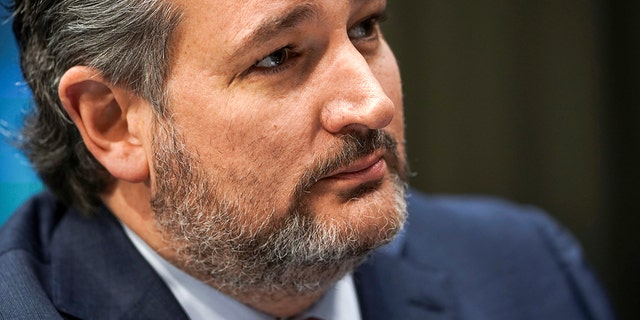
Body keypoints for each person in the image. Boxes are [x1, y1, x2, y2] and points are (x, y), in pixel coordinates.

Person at [0, 0, 613, 319]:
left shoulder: (528, 269)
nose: (371, 105)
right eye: (279, 57)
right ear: (113, 120)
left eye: (366, 27)